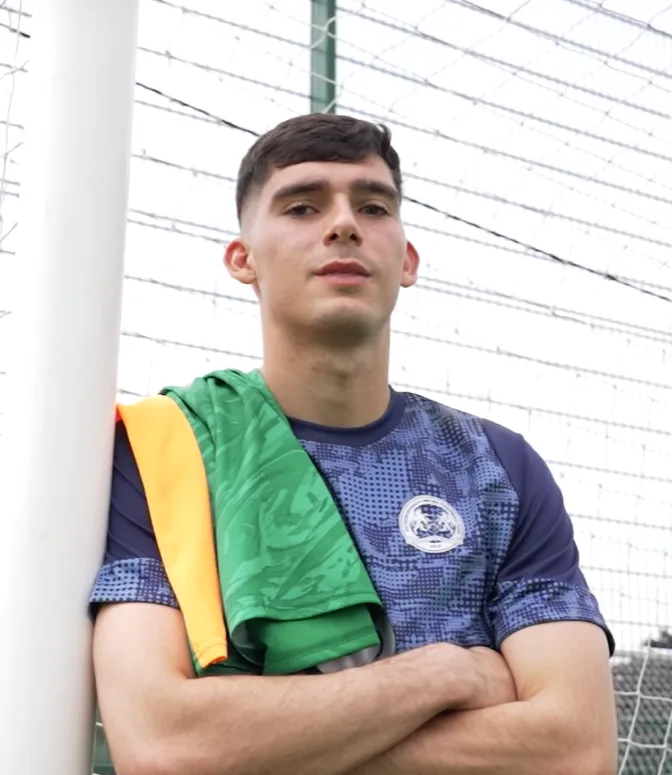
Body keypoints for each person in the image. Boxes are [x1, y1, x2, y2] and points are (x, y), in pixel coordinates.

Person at [91, 113, 618, 775]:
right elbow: (166, 746)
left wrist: (267, 745)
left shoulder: (501, 467)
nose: (343, 224)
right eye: (303, 205)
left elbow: (575, 749)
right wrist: (443, 674)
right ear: (241, 258)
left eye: (373, 205)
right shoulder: (160, 452)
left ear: (407, 259)